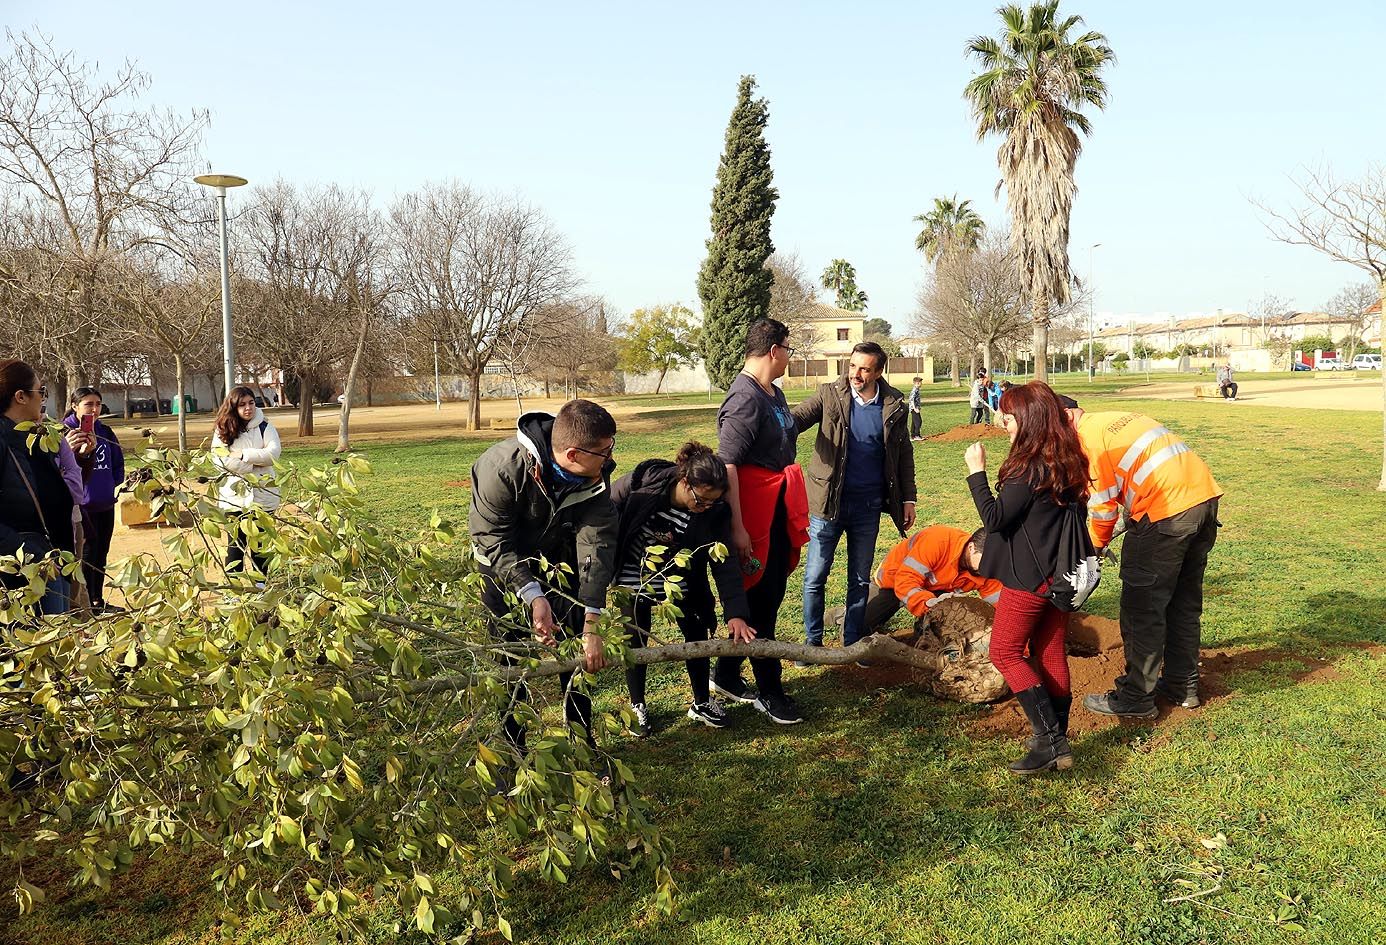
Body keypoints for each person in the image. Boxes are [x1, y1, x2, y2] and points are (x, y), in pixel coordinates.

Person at [1060, 396, 1222, 717]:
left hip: (1165, 515)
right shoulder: (1113, 419)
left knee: (1142, 608)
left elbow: (1103, 509)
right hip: (1202, 501)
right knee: (1182, 604)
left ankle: (1136, 697)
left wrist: (1092, 552)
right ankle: (1182, 686)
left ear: (1066, 416)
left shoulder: (1088, 440)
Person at [469, 399, 617, 751]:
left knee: (574, 651)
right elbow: (493, 540)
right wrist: (531, 593)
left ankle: (581, 738)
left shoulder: (595, 473)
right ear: (572, 454)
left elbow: (596, 543)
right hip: (501, 566)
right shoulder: (499, 469)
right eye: (604, 451)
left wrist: (592, 619)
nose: (610, 458)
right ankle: (513, 746)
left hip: (559, 560)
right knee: (509, 657)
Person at [965, 381, 1090, 774]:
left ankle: (1050, 741)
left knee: (1004, 652)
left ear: (1029, 419)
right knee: (1050, 651)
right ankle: (1060, 739)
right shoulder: (1067, 459)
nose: (1003, 419)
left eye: (1010, 413)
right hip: (1059, 574)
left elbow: (996, 519)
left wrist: (977, 473)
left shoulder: (1028, 468)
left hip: (1029, 578)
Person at [610, 441, 756, 734]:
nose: (704, 508)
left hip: (681, 576)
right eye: (700, 501)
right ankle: (637, 704)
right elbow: (605, 516)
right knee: (635, 636)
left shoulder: (714, 512)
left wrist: (736, 613)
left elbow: (724, 563)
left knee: (696, 631)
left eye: (712, 502)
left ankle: (701, 701)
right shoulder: (643, 484)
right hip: (634, 571)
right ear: (685, 481)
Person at [710, 317, 810, 725]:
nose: (789, 356)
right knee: (762, 604)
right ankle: (770, 691)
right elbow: (728, 464)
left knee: (763, 599)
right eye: (789, 349)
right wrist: (738, 527)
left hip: (777, 507)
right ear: (774, 351)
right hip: (753, 515)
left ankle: (727, 675)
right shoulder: (745, 399)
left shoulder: (774, 393)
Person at [792, 341, 916, 664]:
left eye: (864, 369)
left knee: (859, 579)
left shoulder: (894, 404)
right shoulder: (829, 394)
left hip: (868, 508)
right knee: (815, 576)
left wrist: (908, 498)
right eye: (852, 366)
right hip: (828, 505)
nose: (855, 374)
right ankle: (812, 643)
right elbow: (796, 420)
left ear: (878, 371)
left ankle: (852, 643)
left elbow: (903, 455)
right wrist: (764, 423)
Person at [0, 360, 76, 615]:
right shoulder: (3, 440)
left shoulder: (30, 436)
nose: (43, 398)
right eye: (40, 391)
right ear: (20, 397)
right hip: (23, 569)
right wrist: (29, 552)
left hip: (51, 554)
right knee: (42, 647)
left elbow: (50, 490)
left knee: (61, 637)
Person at [859, 525, 1005, 634]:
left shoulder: (987, 570)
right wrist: (931, 606)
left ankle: (924, 630)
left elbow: (1003, 608)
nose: (988, 568)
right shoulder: (939, 541)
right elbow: (905, 582)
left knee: (942, 630)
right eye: (985, 561)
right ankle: (843, 615)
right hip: (893, 581)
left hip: (933, 591)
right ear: (972, 547)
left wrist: (1017, 648)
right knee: (858, 626)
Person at [62, 388, 124, 612]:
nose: (94, 409)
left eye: (98, 403)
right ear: (75, 405)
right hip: (82, 506)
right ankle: (83, 605)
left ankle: (98, 600)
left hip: (105, 502)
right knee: (84, 556)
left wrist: (111, 484)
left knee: (101, 553)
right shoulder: (64, 431)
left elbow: (118, 462)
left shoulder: (105, 431)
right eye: (88, 404)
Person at [211, 386, 282, 579]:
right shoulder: (222, 429)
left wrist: (243, 455)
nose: (248, 408)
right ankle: (234, 586)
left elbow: (273, 455)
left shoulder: (265, 426)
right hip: (233, 497)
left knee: (260, 544)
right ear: (233, 406)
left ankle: (261, 585)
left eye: (251, 403)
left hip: (262, 495)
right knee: (235, 545)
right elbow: (221, 461)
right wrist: (253, 465)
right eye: (242, 404)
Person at [908, 376, 924, 441]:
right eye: (920, 382)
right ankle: (917, 435)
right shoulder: (914, 390)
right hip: (914, 409)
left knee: (914, 422)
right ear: (917, 383)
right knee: (918, 421)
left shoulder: (917, 389)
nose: (921, 384)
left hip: (915, 408)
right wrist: (914, 408)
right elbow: (911, 400)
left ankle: (913, 436)